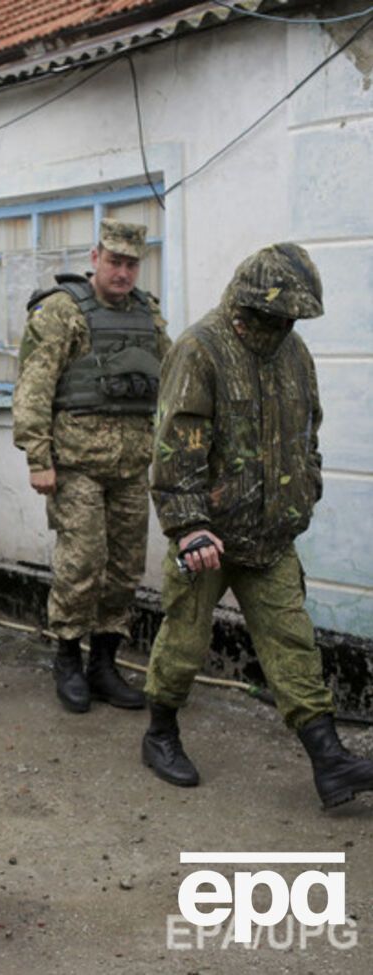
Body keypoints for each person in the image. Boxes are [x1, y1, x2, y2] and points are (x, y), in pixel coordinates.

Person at [143, 243, 373, 808]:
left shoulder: (294, 355)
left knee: (294, 643)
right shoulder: (200, 349)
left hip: (271, 537)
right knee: (185, 641)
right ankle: (161, 732)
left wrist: (307, 485)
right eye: (278, 315)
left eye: (293, 317)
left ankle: (330, 762)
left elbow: (307, 431)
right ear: (249, 306)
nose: (285, 325)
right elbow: (177, 446)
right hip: (209, 540)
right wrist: (189, 525)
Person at [12, 219, 170, 714]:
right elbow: (33, 389)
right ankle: (66, 659)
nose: (122, 272)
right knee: (81, 564)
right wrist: (39, 459)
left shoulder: (149, 315)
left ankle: (104, 664)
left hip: (131, 466)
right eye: (115, 261)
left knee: (124, 570)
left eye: (131, 263)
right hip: (75, 465)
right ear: (95, 256)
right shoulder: (61, 312)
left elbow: (168, 383)